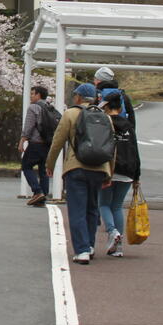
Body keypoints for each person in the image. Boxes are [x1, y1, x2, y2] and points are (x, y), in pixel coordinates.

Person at [46, 83, 114, 265]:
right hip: (99, 169)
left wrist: (50, 164)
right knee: (92, 209)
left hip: (76, 168)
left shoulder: (70, 114)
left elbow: (57, 142)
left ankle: (82, 250)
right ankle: (90, 246)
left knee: (77, 210)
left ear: (78, 97)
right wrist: (109, 173)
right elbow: (111, 148)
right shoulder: (105, 117)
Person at [99, 91, 139, 257]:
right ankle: (119, 247)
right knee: (117, 206)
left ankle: (112, 231)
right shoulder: (128, 126)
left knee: (104, 204)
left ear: (106, 107)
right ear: (121, 106)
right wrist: (137, 176)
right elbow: (135, 151)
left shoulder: (104, 123)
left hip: (110, 169)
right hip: (128, 171)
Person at [18, 85, 57, 206]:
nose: (31, 96)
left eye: (33, 94)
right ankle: (43, 196)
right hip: (48, 143)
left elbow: (29, 126)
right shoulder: (50, 107)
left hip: (36, 143)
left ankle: (37, 191)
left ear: (38, 95)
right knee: (43, 170)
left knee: (26, 166)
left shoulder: (33, 107)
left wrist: (22, 140)